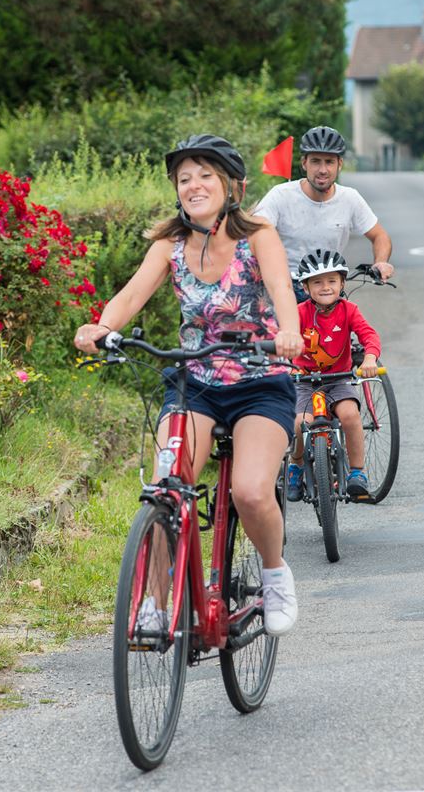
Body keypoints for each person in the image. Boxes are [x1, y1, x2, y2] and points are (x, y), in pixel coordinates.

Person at [74, 134, 303, 636]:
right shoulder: (170, 244)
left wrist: (290, 333)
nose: (194, 185)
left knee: (248, 490)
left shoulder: (258, 234)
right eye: (184, 178)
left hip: (261, 382)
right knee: (166, 489)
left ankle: (274, 575)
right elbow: (132, 294)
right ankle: (157, 603)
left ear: (229, 186)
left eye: (204, 175)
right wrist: (101, 326)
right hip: (194, 381)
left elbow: (282, 289)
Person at [254, 125, 393, 302]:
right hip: (285, 290)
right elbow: (255, 233)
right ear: (304, 163)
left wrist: (380, 262)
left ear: (339, 164)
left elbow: (380, 235)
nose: (322, 170)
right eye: (316, 161)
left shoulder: (349, 198)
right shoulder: (280, 195)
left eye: (329, 162)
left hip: (328, 291)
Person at [287, 248, 381, 503]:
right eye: (317, 282)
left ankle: (357, 472)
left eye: (331, 281)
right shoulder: (298, 312)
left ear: (341, 283)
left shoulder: (349, 310)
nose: (325, 287)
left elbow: (368, 335)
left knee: (350, 415)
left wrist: (370, 358)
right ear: (305, 288)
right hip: (303, 379)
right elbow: (280, 337)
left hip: (338, 378)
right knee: (298, 423)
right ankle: (295, 466)